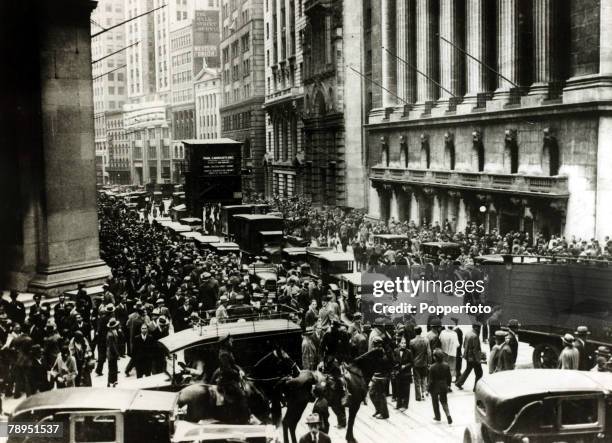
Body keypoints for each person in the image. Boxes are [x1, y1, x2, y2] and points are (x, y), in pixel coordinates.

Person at [455, 323, 483, 391]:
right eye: (479, 328)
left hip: (467, 356)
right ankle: (476, 388)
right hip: (473, 358)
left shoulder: (468, 333)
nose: (480, 329)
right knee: (479, 373)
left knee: (468, 369)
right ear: (477, 328)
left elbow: (464, 345)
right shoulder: (475, 336)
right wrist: (478, 360)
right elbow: (475, 350)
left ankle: (459, 382)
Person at [428, 349, 453, 425]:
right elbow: (449, 377)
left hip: (435, 387)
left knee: (435, 402)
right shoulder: (446, 365)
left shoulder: (432, 367)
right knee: (444, 402)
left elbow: (431, 380)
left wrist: (428, 388)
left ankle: (437, 416)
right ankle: (448, 415)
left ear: (435, 357)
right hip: (443, 386)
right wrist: (448, 385)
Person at [369, 336, 389, 420]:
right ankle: (378, 410)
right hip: (377, 376)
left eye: (375, 344)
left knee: (381, 395)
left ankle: (384, 414)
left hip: (381, 377)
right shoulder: (377, 353)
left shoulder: (382, 354)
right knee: (372, 393)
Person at [409, 326, 430, 401]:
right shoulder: (426, 340)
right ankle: (423, 393)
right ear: (421, 331)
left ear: (415, 332)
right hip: (424, 362)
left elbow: (411, 355)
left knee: (417, 380)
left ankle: (418, 397)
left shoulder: (412, 341)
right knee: (424, 378)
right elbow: (429, 352)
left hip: (416, 363)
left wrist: (412, 364)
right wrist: (429, 363)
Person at [394, 337, 413, 411]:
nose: (404, 344)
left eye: (405, 343)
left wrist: (405, 366)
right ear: (399, 344)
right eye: (402, 343)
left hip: (406, 374)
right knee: (399, 389)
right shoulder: (396, 351)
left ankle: (405, 405)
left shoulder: (409, 352)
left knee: (406, 390)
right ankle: (398, 404)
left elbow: (411, 362)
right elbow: (394, 361)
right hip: (399, 374)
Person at [106, 319, 121, 387]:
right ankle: (110, 381)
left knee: (113, 367)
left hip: (111, 352)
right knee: (112, 367)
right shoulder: (111, 335)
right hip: (111, 353)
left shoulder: (112, 332)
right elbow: (112, 346)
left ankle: (113, 380)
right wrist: (117, 354)